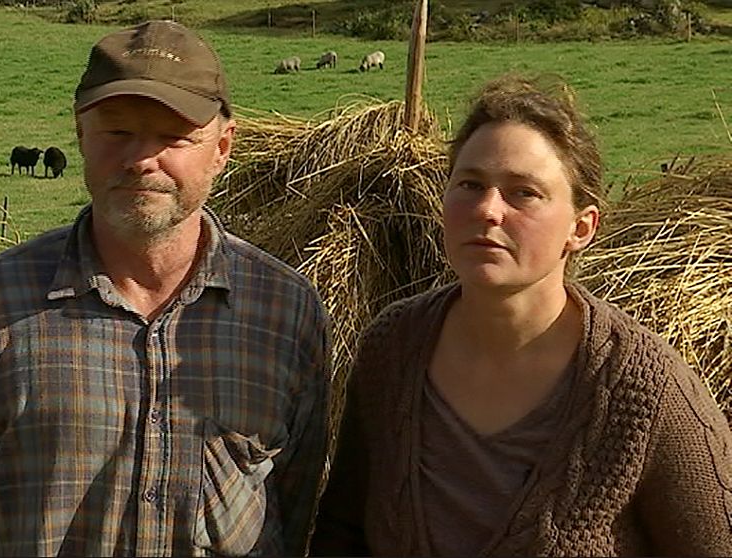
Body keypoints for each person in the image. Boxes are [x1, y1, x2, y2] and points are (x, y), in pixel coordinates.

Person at [0, 20, 330, 557]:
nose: (140, 159)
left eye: (173, 137)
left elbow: (296, 507)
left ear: (222, 147)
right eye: (117, 132)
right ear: (81, 134)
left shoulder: (285, 312)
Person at [310, 74, 732, 556]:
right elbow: (342, 530)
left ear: (581, 227)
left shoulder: (642, 390)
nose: (488, 210)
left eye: (523, 193)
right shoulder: (393, 348)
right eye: (470, 184)